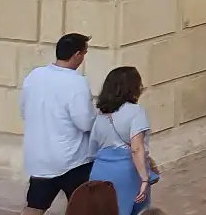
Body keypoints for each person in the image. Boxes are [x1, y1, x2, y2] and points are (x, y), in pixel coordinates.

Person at [20, 34, 94, 214]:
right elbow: (85, 123)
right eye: (84, 54)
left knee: (34, 207)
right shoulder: (77, 82)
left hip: (39, 159)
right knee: (83, 208)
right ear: (77, 55)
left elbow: (24, 111)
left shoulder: (34, 75)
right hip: (72, 160)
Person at [88, 68, 156, 215]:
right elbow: (136, 148)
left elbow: (93, 149)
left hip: (99, 171)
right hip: (127, 173)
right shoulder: (135, 111)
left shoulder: (100, 115)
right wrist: (145, 179)